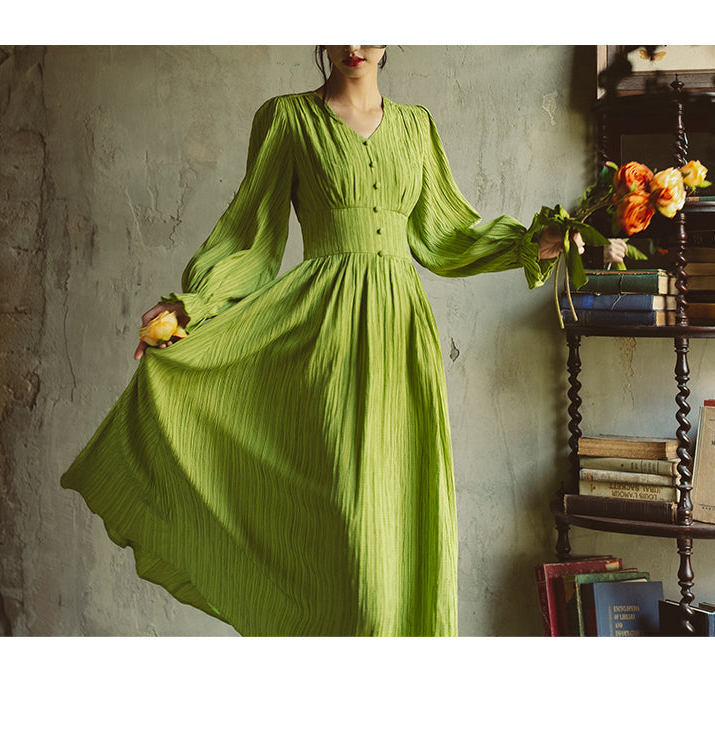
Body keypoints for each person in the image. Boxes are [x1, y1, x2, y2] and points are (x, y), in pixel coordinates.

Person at [61, 45, 626, 636]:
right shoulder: (286, 119)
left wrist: (534, 242)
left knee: (399, 514)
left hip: (401, 339)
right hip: (322, 336)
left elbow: (448, 236)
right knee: (346, 532)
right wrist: (192, 306)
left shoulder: (416, 127)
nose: (353, 40)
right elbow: (252, 238)